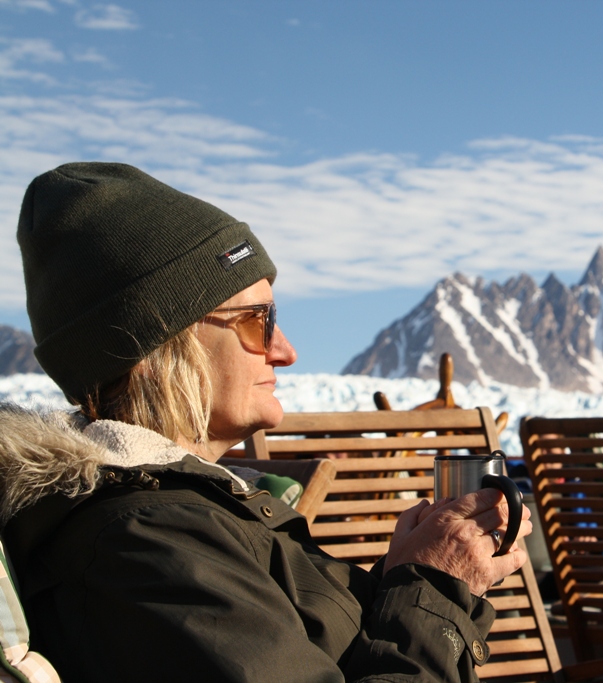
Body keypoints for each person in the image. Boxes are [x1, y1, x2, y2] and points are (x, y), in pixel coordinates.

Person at [0, 162, 531, 683]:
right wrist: (437, 587)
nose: (285, 351)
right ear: (161, 347)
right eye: (258, 320)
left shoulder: (186, 518)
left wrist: (401, 579)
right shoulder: (147, 544)